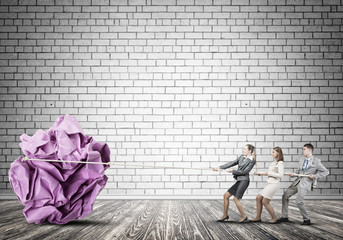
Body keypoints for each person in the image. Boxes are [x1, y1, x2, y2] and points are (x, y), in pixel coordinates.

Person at [278, 143, 329, 225]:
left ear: (309, 150)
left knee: (298, 201)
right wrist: (293, 174)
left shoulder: (316, 161)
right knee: (285, 196)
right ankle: (284, 216)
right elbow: (298, 171)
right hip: (297, 181)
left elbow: (326, 172)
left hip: (306, 183)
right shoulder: (302, 159)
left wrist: (315, 176)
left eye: (304, 149)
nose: (302, 151)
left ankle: (306, 219)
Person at [213, 144, 256, 223]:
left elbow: (245, 171)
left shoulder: (252, 160)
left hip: (244, 181)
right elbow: (231, 163)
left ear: (250, 151)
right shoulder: (241, 157)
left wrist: (233, 171)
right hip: (239, 180)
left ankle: (244, 217)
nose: (243, 150)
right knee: (226, 196)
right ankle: (225, 215)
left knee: (236, 198)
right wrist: (219, 168)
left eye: (245, 149)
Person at [252, 147, 284, 224]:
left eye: (273, 152)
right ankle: (258, 217)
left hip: (274, 184)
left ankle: (274, 218)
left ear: (278, 153)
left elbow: (280, 175)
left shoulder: (280, 163)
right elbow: (268, 172)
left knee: (265, 201)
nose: (272, 153)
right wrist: (260, 173)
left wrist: (268, 173)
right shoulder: (273, 163)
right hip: (270, 183)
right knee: (258, 198)